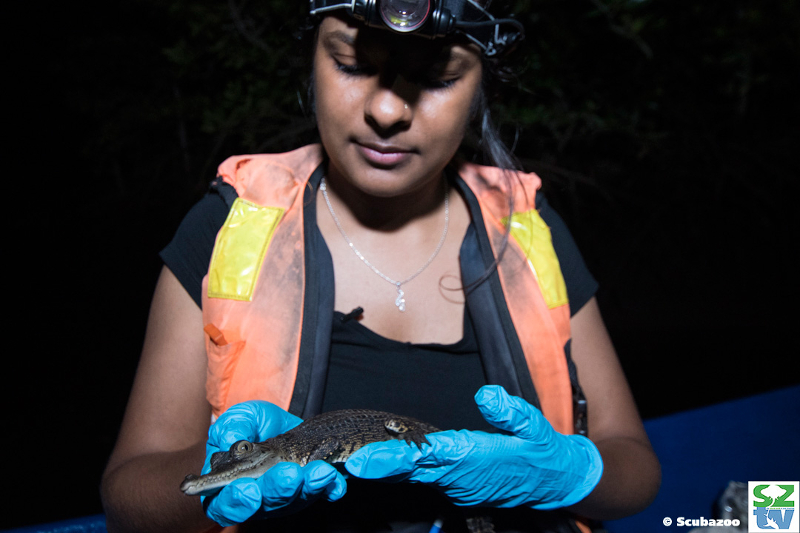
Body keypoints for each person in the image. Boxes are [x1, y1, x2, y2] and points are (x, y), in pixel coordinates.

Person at [101, 1, 660, 532]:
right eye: (351, 63)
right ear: (310, 60)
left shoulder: (530, 230)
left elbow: (636, 472)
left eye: (439, 77)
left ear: (481, 87)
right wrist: (237, 466)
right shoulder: (225, 229)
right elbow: (128, 499)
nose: (387, 110)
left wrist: (564, 473)